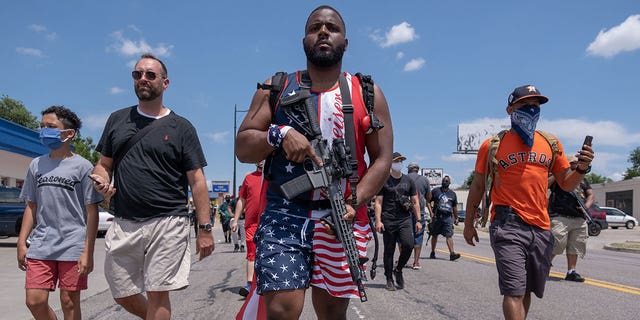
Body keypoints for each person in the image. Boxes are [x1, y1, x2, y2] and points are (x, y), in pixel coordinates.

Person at [235, 5, 393, 319]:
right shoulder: (276, 88)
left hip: (341, 218)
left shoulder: (366, 92)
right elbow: (243, 147)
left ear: (345, 42)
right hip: (285, 214)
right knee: (281, 312)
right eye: (315, 27)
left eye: (331, 28)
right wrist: (278, 133)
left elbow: (382, 159)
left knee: (333, 314)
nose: (323, 31)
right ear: (304, 40)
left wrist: (353, 202)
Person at [91, 53, 214, 320]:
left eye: (150, 75)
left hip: (168, 220)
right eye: (137, 74)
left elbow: (197, 180)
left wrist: (205, 229)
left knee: (158, 291)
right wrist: (101, 178)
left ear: (165, 83)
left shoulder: (182, 127)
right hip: (125, 220)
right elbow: (104, 164)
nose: (142, 79)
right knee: (121, 291)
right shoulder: (117, 119)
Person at [463, 84, 594, 320]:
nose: (531, 110)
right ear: (509, 109)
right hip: (508, 224)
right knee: (513, 290)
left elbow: (565, 183)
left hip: (541, 227)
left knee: (526, 290)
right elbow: (478, 186)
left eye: (535, 106)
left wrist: (583, 168)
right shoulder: (492, 145)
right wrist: (469, 223)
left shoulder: (551, 143)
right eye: (524, 105)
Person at [17, 106, 104, 320]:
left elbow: (91, 212)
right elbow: (31, 206)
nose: (44, 131)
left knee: (69, 303)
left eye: (51, 127)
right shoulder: (36, 165)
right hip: (41, 244)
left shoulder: (83, 167)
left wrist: (88, 251)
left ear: (69, 133)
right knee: (34, 301)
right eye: (42, 126)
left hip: (72, 245)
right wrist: (21, 242)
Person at [375, 152, 422, 291]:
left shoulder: (408, 181)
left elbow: (415, 201)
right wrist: (378, 221)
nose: (399, 163)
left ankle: (398, 269)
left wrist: (418, 220)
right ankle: (389, 278)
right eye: (396, 161)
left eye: (401, 161)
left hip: (405, 219)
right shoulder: (384, 180)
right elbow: (378, 202)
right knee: (389, 250)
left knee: (408, 245)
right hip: (388, 219)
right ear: (390, 163)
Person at [548, 154, 593, 282]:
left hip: (579, 218)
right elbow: (545, 185)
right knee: (557, 243)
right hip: (560, 216)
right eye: (574, 162)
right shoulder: (558, 177)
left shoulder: (583, 179)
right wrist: (560, 173)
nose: (577, 164)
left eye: (578, 162)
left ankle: (571, 271)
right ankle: (545, 264)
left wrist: (586, 206)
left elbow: (590, 195)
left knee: (576, 245)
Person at [232, 161, 268, 297]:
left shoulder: (273, 176)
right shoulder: (248, 178)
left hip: (270, 222)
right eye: (258, 158)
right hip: (252, 223)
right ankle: (249, 285)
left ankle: (267, 283)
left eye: (263, 158)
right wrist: (235, 220)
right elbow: (242, 200)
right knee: (252, 254)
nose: (261, 161)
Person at [427, 175, 461, 261]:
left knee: (449, 235)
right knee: (434, 235)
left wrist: (456, 218)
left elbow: (454, 207)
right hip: (437, 217)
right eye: (444, 180)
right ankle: (432, 252)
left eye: (447, 181)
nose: (445, 182)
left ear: (449, 183)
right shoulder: (435, 191)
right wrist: (431, 213)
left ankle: (452, 254)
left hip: (448, 217)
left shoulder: (453, 194)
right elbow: (428, 201)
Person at [406, 162, 432, 269]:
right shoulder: (425, 180)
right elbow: (429, 197)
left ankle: (403, 259)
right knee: (418, 236)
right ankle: (416, 262)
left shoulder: (404, 178)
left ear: (409, 169)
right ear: (418, 169)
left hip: (405, 212)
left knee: (403, 237)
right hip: (419, 212)